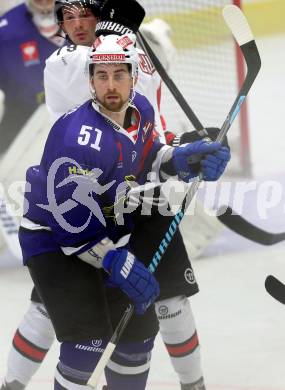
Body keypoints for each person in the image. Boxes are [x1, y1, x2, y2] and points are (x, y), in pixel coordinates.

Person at [19, 32, 230, 390]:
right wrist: (117, 260)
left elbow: (145, 162)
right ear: (91, 81)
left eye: (119, 74)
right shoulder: (76, 136)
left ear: (134, 78)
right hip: (53, 242)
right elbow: (70, 228)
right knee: (87, 346)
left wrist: (180, 160)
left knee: (137, 336)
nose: (110, 85)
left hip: (106, 230)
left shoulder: (141, 112)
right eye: (102, 76)